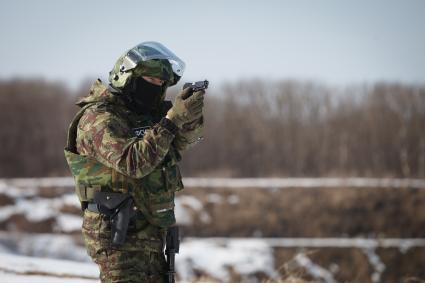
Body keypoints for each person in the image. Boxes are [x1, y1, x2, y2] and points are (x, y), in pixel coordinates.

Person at [64, 41, 205, 282]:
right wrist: (171, 121)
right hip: (118, 235)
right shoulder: (99, 118)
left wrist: (189, 117)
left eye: (161, 83)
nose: (157, 87)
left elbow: (180, 144)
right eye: (151, 81)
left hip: (150, 230)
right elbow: (133, 163)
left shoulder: (147, 117)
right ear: (126, 77)